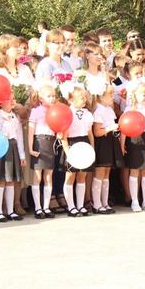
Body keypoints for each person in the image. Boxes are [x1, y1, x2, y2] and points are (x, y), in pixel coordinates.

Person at [121, 81, 145, 212]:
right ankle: (135, 201)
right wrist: (122, 145)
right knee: (134, 170)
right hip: (134, 140)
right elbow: (123, 128)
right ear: (134, 95)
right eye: (142, 94)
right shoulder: (130, 109)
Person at [0, 95, 26, 222]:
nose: (13, 102)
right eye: (9, 99)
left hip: (13, 147)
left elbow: (19, 137)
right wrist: (5, 123)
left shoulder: (15, 117)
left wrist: (22, 155)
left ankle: (11, 211)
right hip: (1, 147)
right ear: (0, 103)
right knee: (1, 180)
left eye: (14, 99)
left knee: (11, 181)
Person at [59, 86, 95, 217]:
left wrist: (92, 147)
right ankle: (71, 206)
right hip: (72, 144)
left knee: (82, 176)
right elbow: (64, 135)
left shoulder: (88, 114)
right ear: (71, 100)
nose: (84, 100)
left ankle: (80, 205)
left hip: (84, 143)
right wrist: (68, 152)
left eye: (85, 97)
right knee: (70, 176)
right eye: (81, 98)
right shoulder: (68, 113)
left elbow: (90, 133)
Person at [28, 84, 59, 219]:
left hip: (51, 142)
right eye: (49, 96)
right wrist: (30, 148)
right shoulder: (36, 111)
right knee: (38, 176)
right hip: (39, 142)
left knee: (48, 176)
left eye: (53, 96)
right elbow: (31, 130)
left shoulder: (55, 111)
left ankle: (46, 207)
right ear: (41, 98)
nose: (52, 98)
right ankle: (38, 207)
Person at [91, 84, 121, 214]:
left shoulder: (109, 109)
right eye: (110, 95)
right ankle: (96, 204)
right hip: (102, 142)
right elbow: (97, 132)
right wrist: (110, 128)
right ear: (101, 97)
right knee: (100, 172)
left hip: (110, 141)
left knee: (107, 173)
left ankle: (105, 202)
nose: (112, 97)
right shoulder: (98, 110)